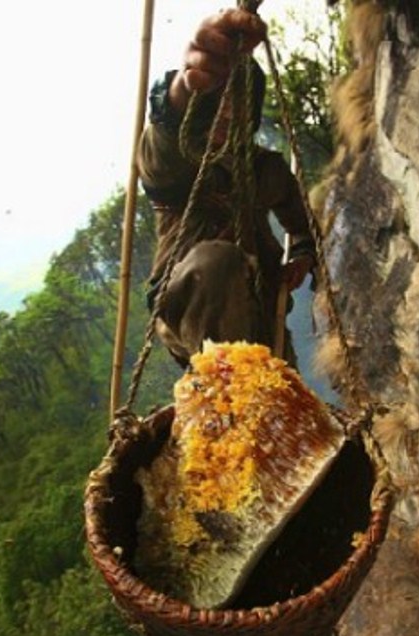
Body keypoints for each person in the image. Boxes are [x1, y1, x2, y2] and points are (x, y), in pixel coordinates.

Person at [137, 7, 316, 368]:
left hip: (262, 314)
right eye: (218, 104)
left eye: (237, 105)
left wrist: (301, 254)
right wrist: (189, 84)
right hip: (189, 306)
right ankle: (223, 393)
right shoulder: (177, 162)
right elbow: (165, 131)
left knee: (282, 401)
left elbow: (302, 225)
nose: (228, 116)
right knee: (217, 262)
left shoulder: (266, 169)